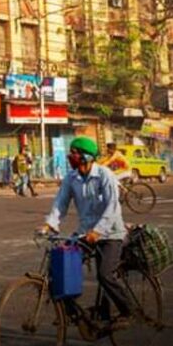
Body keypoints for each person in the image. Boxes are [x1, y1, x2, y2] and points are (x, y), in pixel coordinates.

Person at [40, 136, 137, 328]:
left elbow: (112, 207)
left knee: (105, 274)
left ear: (86, 156)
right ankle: (70, 312)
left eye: (74, 153)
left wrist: (99, 231)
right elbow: (61, 202)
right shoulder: (71, 178)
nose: (71, 156)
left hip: (111, 233)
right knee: (60, 264)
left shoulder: (105, 175)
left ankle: (128, 311)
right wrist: (51, 224)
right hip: (85, 233)